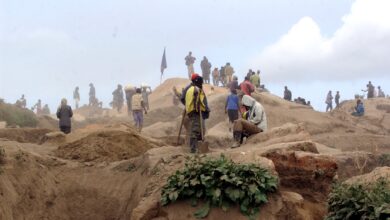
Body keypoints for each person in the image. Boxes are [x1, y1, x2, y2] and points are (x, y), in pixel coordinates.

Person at [181, 74, 210, 153]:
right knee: (196, 129)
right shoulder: (195, 89)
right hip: (196, 111)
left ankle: (197, 146)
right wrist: (204, 109)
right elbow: (199, 101)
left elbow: (183, 98)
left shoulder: (190, 88)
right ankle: (194, 149)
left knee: (199, 128)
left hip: (192, 111)